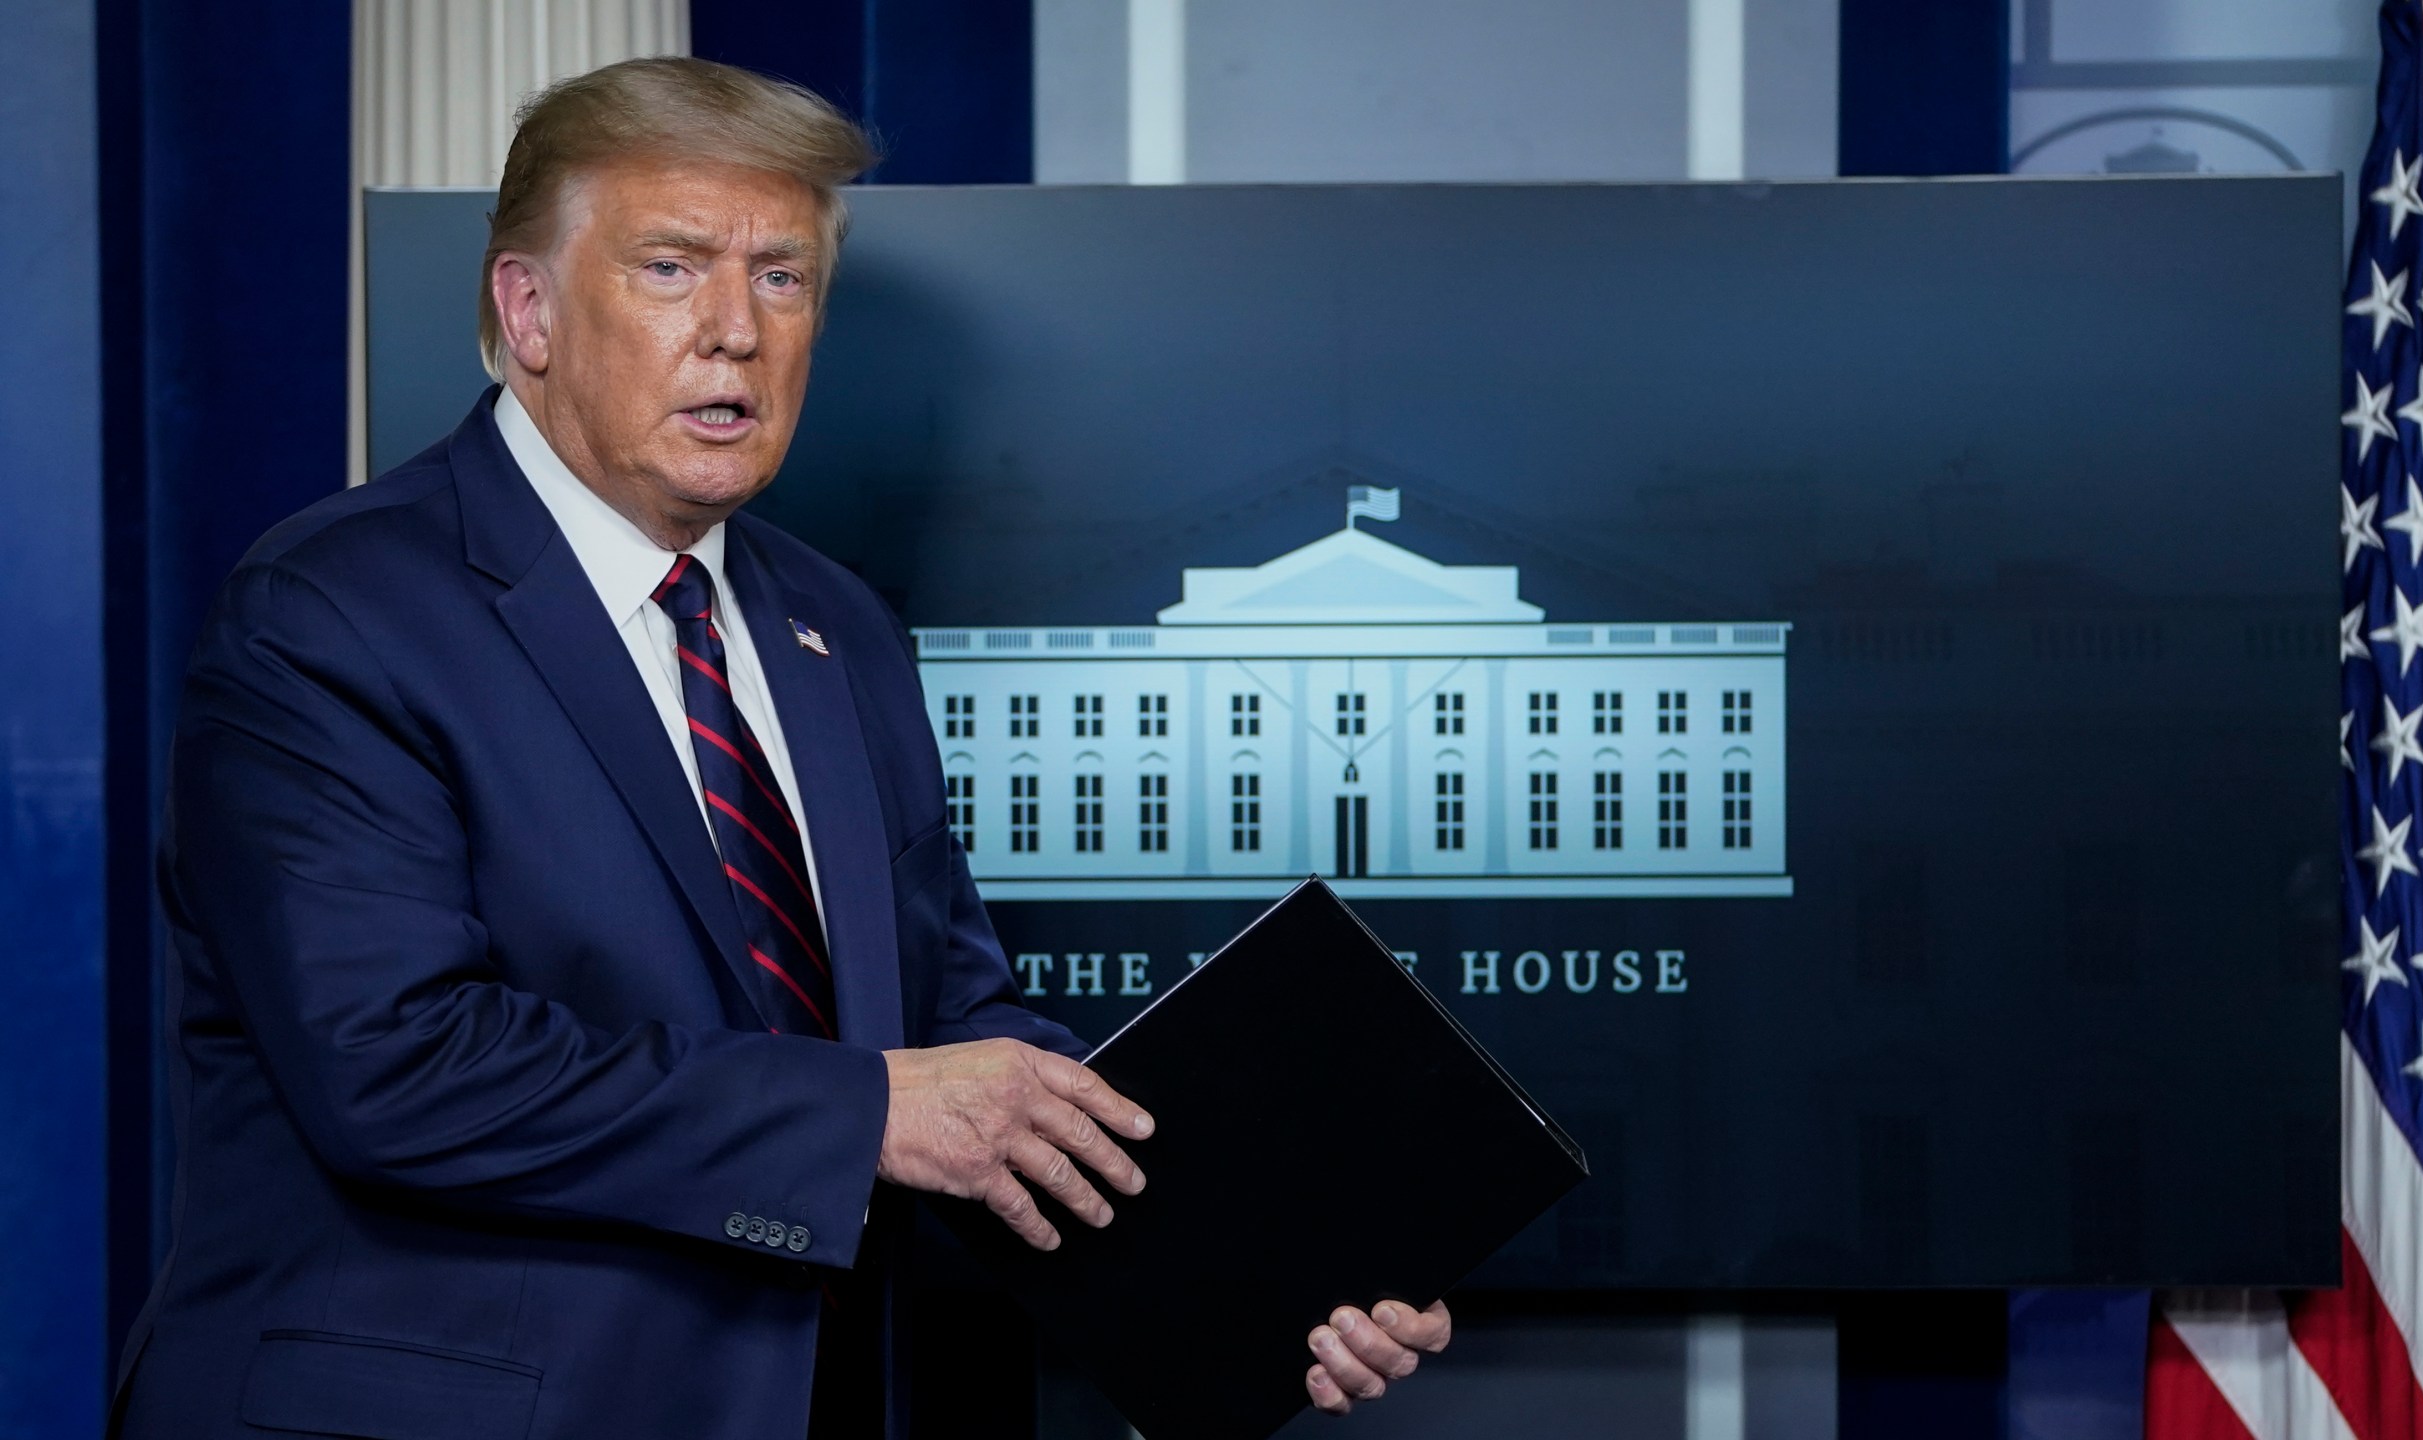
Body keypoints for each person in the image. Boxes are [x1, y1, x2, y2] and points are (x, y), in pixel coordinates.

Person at [111, 56, 1448, 1440]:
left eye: (784, 277)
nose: (736, 332)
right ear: (529, 310)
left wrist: (1270, 1269)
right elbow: (397, 1067)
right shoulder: (333, 613)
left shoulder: (836, 626)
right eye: (674, 268)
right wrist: (866, 1113)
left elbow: (952, 1036)